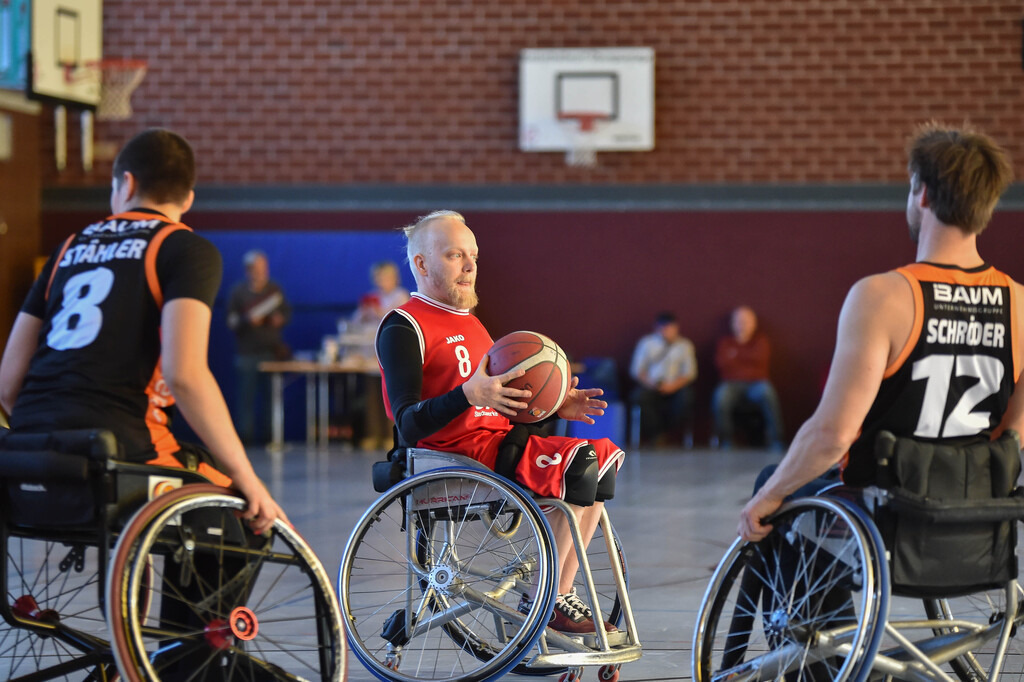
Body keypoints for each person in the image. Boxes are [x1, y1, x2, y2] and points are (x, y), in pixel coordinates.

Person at [739, 122, 1022, 543]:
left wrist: (768, 494)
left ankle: (831, 613)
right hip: (974, 513)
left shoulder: (882, 295)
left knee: (775, 482)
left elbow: (832, 435)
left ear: (922, 193)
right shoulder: (1018, 301)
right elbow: (1015, 436)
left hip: (887, 512)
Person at [376, 210, 625, 634]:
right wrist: (466, 395)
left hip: (498, 448)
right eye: (455, 255)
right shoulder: (404, 325)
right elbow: (408, 424)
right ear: (421, 264)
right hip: (452, 458)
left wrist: (552, 406)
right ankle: (547, 598)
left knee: (601, 459)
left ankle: (555, 592)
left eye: (473, 255)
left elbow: (503, 406)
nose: (471, 266)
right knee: (579, 463)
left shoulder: (473, 325)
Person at [226, 249, 291, 444]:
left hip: (271, 354)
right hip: (247, 354)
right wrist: (246, 320)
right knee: (245, 400)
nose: (261, 272)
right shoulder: (238, 291)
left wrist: (280, 319)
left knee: (272, 400)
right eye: (257, 268)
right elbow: (231, 321)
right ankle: (245, 440)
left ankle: (271, 439)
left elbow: (286, 315)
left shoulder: (274, 290)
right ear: (248, 270)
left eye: (264, 267)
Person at [350, 260, 409, 450]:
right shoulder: (371, 298)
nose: (380, 281)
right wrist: (362, 315)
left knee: (390, 398)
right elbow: (355, 323)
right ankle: (371, 435)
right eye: (377, 277)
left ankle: (389, 436)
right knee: (371, 398)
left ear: (393, 278)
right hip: (369, 355)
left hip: (390, 355)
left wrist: (378, 313)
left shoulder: (400, 296)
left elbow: (399, 317)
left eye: (384, 277)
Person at [712, 305, 785, 450]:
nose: (742, 325)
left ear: (754, 323)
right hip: (730, 384)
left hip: (756, 384)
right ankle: (726, 441)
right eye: (739, 321)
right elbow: (722, 364)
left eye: (746, 321)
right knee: (720, 397)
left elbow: (761, 361)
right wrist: (748, 361)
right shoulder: (725, 342)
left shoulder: (761, 341)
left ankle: (776, 440)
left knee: (768, 393)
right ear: (732, 323)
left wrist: (736, 358)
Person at [629, 311, 697, 447]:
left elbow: (690, 372)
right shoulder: (647, 343)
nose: (668, 332)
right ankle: (656, 435)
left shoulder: (685, 345)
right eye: (664, 328)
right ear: (657, 328)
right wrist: (653, 384)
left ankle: (667, 430)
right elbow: (637, 370)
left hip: (676, 387)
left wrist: (672, 386)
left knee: (687, 398)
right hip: (652, 386)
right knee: (638, 397)